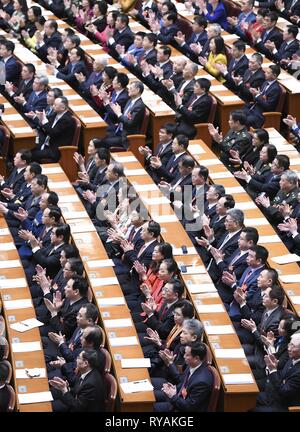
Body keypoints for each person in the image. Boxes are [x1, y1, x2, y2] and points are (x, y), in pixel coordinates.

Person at [154, 342, 214, 412]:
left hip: (182, 407)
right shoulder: (192, 365)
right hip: (179, 397)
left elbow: (189, 407)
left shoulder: (202, 382)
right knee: (152, 395)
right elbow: (183, 381)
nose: (184, 356)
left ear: (196, 358)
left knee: (151, 407)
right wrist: (176, 389)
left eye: (187, 355)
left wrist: (173, 396)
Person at [31, 96, 76, 163]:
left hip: (55, 150)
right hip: (46, 143)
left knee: (30, 155)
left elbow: (52, 133)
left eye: (55, 105)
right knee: (28, 149)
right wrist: (41, 120)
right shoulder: (55, 114)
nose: (52, 106)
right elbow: (46, 127)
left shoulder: (67, 120)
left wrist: (44, 121)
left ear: (63, 108)